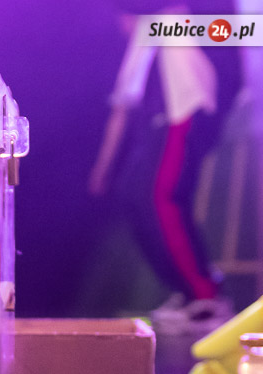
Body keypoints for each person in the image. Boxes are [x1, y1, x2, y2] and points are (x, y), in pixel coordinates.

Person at [89, 5, 240, 334]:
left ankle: (206, 295)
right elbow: (121, 110)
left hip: (181, 118)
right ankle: (188, 291)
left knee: (159, 197)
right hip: (157, 128)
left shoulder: (167, 23)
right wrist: (103, 168)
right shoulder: (143, 46)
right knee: (133, 198)